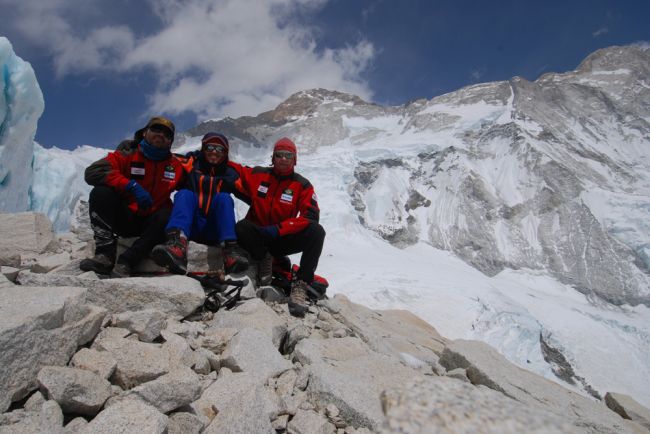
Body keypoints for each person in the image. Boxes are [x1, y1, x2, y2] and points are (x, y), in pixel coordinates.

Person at [232, 137, 325, 317]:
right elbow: (233, 170)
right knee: (242, 227)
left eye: (288, 155)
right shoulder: (258, 174)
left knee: (316, 232)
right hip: (256, 236)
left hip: (280, 238)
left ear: (295, 159)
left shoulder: (302, 185)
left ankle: (300, 286)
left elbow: (310, 217)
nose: (283, 159)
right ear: (273, 157)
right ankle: (264, 259)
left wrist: (279, 229)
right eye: (279, 155)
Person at [80, 116, 184, 277]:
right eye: (156, 129)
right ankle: (105, 255)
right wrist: (130, 185)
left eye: (167, 134)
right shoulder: (127, 155)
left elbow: (198, 187)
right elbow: (93, 172)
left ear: (170, 141)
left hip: (152, 224)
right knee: (101, 192)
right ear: (144, 133)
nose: (161, 135)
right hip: (124, 217)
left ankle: (127, 261)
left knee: (168, 215)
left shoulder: (175, 166)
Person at [151, 132, 248, 275]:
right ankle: (177, 244)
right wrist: (137, 147)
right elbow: (165, 158)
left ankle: (229, 251)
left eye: (220, 149)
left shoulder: (230, 174)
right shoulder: (190, 163)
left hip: (214, 230)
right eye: (210, 147)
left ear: (225, 153)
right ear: (203, 148)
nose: (214, 152)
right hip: (191, 226)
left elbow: (252, 192)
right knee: (184, 194)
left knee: (224, 198)